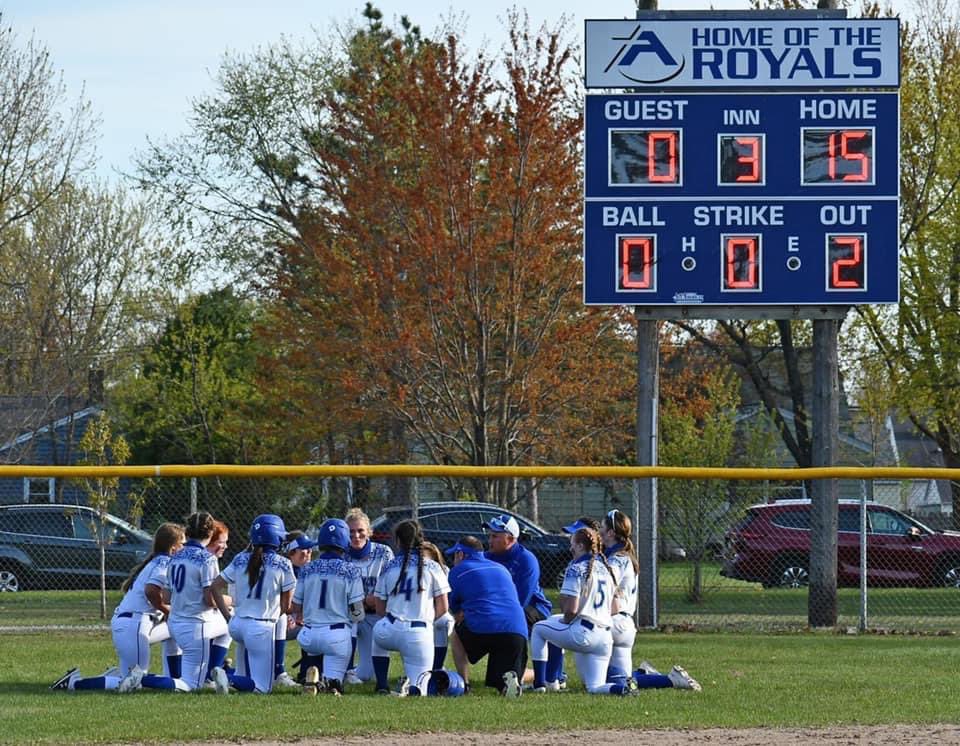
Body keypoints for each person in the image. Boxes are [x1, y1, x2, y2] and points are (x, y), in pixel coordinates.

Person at [50, 522, 186, 692]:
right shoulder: (165, 562)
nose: (185, 548)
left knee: (174, 630)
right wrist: (166, 609)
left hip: (135, 623)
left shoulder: (160, 560)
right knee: (134, 681)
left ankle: (176, 680)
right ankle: (74, 683)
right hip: (134, 624)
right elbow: (151, 591)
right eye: (182, 544)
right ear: (173, 548)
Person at [118, 511, 232, 693]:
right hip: (195, 625)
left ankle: (211, 673)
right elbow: (209, 599)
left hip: (175, 624)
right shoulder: (208, 559)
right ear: (210, 534)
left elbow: (166, 596)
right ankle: (144, 679)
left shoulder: (176, 556)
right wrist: (228, 601)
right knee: (192, 685)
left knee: (185, 677)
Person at [600, 509, 701, 692]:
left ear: (611, 533)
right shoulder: (622, 555)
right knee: (622, 679)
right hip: (625, 625)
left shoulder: (617, 559)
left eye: (602, 527)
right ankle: (648, 675)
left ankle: (667, 680)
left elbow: (608, 587)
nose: (599, 531)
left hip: (614, 623)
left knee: (605, 680)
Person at [529, 526, 633, 695]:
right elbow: (615, 608)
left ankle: (540, 684)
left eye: (572, 543)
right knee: (595, 688)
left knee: (539, 629)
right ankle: (623, 689)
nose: (570, 548)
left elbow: (571, 611)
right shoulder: (606, 569)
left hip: (583, 634)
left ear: (580, 546)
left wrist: (567, 618)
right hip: (605, 636)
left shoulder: (576, 569)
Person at [205, 514, 296, 694]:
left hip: (237, 624)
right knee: (263, 688)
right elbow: (287, 605)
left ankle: (231, 679)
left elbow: (214, 587)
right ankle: (227, 677)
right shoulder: (283, 563)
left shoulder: (240, 558)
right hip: (261, 626)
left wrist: (227, 617)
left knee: (246, 673)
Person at [371, 519, 449, 696]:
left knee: (377, 631)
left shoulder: (389, 566)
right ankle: (412, 685)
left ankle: (382, 684)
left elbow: (379, 608)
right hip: (418, 633)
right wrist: (427, 621)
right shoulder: (434, 567)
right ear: (421, 539)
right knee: (419, 688)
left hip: (388, 629)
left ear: (398, 541)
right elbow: (443, 607)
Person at [445, 536, 526, 697]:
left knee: (456, 635)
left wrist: (460, 612)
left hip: (482, 627)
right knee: (502, 679)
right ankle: (509, 685)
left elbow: (453, 607)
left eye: (455, 555)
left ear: (461, 555)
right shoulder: (501, 568)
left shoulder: (458, 571)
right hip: (516, 631)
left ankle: (464, 684)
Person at [292, 518, 365, 695]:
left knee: (316, 652)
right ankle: (328, 683)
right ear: (344, 543)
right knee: (335, 685)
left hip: (308, 635)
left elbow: (295, 605)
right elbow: (357, 611)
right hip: (336, 635)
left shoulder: (307, 568)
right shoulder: (351, 570)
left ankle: (312, 677)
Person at [343, 507, 394, 685]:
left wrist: (377, 598)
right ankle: (347, 668)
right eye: (351, 532)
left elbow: (391, 584)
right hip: (349, 614)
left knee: (366, 675)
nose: (356, 536)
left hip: (375, 614)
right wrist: (362, 600)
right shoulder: (341, 554)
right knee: (353, 613)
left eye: (360, 531)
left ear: (369, 532)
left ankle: (351, 669)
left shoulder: (384, 552)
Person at [483, 514, 552, 633]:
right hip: (501, 606)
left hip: (532, 607)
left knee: (504, 627)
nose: (490, 540)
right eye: (489, 535)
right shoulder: (488, 557)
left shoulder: (526, 560)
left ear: (510, 539)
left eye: (495, 536)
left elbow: (521, 600)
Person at [273, 530, 317, 686]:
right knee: (284, 620)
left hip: (299, 619)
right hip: (277, 618)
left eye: (310, 548)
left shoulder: (311, 570)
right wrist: (291, 615)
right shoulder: (280, 569)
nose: (309, 552)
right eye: (304, 549)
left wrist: (301, 615)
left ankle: (307, 673)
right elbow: (276, 602)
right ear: (291, 552)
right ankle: (278, 671)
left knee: (316, 626)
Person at [421, 540, 455, 671]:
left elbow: (445, 602)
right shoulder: (411, 570)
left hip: (438, 611)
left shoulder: (444, 571)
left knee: (443, 621)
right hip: (418, 614)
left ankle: (438, 666)